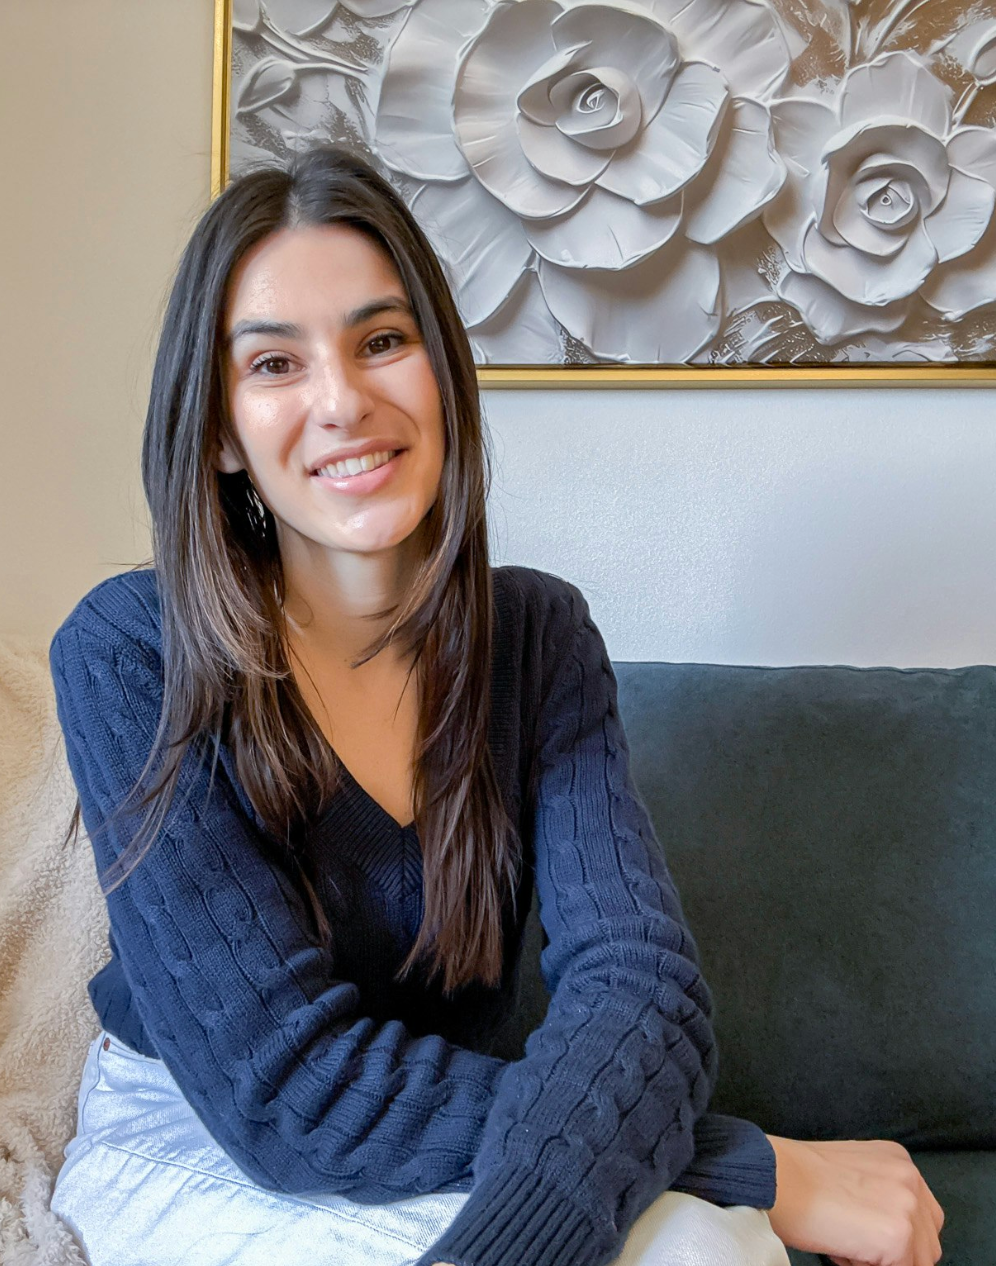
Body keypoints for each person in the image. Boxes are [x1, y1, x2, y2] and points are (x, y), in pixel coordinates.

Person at [47, 145, 944, 1266]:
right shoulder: (131, 648)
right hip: (192, 1141)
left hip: (451, 1139)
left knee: (722, 1257)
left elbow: (641, 990)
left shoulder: (539, 638)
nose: (342, 401)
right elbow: (286, 1094)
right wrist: (748, 1160)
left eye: (383, 341)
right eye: (275, 364)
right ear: (222, 433)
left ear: (442, 371)